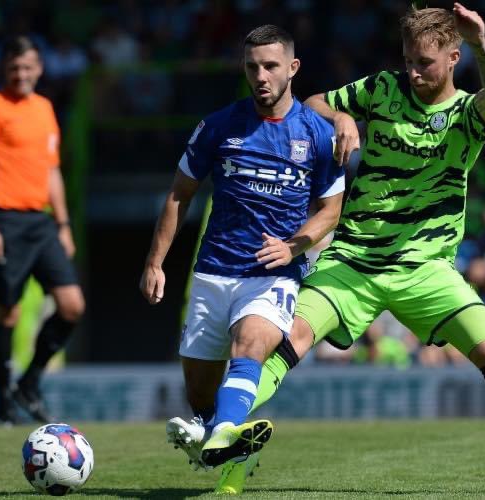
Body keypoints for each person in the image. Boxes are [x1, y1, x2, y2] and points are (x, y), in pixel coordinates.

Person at [179, 4, 485, 495]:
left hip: (426, 269)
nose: (412, 71)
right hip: (352, 261)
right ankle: (224, 436)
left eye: (423, 63)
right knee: (284, 344)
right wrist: (342, 116)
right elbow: (315, 102)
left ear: (453, 58)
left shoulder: (466, 115)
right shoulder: (382, 88)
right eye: (407, 59)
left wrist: (481, 43)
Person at [139, 25, 344, 471]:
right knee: (198, 391)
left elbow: (331, 210)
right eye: (252, 67)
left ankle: (221, 436)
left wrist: (293, 247)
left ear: (293, 68)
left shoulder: (316, 134)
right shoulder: (217, 126)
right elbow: (179, 195)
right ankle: (218, 439)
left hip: (273, 274)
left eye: (271, 66)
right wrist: (155, 262)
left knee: (249, 346)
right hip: (213, 270)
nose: (261, 76)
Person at [0, 36, 85, 425]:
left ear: (39, 68)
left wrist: (63, 224)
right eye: (14, 68)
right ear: (5, 70)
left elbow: (52, 170)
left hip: (41, 223)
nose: (21, 74)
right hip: (5, 220)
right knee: (8, 311)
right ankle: (2, 402)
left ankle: (30, 381)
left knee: (72, 305)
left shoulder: (45, 108)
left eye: (27, 67)